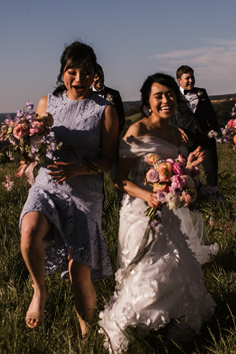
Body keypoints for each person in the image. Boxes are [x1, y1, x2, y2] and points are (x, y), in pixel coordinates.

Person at [98, 73, 216, 353]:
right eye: (158, 96)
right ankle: (128, 325)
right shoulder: (136, 131)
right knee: (145, 269)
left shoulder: (177, 134)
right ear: (148, 102)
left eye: (170, 94)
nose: (166, 100)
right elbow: (120, 180)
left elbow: (174, 173)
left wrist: (188, 171)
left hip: (167, 211)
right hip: (140, 211)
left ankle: (171, 322)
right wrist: (148, 196)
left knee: (175, 265)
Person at [18, 41, 120, 338]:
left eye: (86, 72)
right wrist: (27, 153)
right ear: (62, 72)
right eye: (71, 71)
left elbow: (107, 160)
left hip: (84, 193)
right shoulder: (45, 103)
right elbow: (36, 145)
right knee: (28, 233)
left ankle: (88, 332)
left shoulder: (105, 110)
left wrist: (79, 168)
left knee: (79, 272)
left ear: (95, 74)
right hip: (47, 185)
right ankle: (39, 291)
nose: (78, 78)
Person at [173, 65, 220, 190]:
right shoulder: (172, 96)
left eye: (192, 77)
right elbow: (167, 118)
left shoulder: (202, 92)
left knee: (211, 170)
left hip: (205, 139)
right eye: (187, 78)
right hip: (186, 141)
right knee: (185, 174)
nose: (191, 81)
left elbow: (211, 114)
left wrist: (214, 130)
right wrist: (176, 129)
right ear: (179, 80)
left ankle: (213, 198)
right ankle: (192, 201)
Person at [93, 63, 126, 132]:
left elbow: (121, 118)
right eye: (96, 77)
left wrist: (114, 134)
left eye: (101, 76)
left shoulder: (115, 94)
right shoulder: (85, 95)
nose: (99, 79)